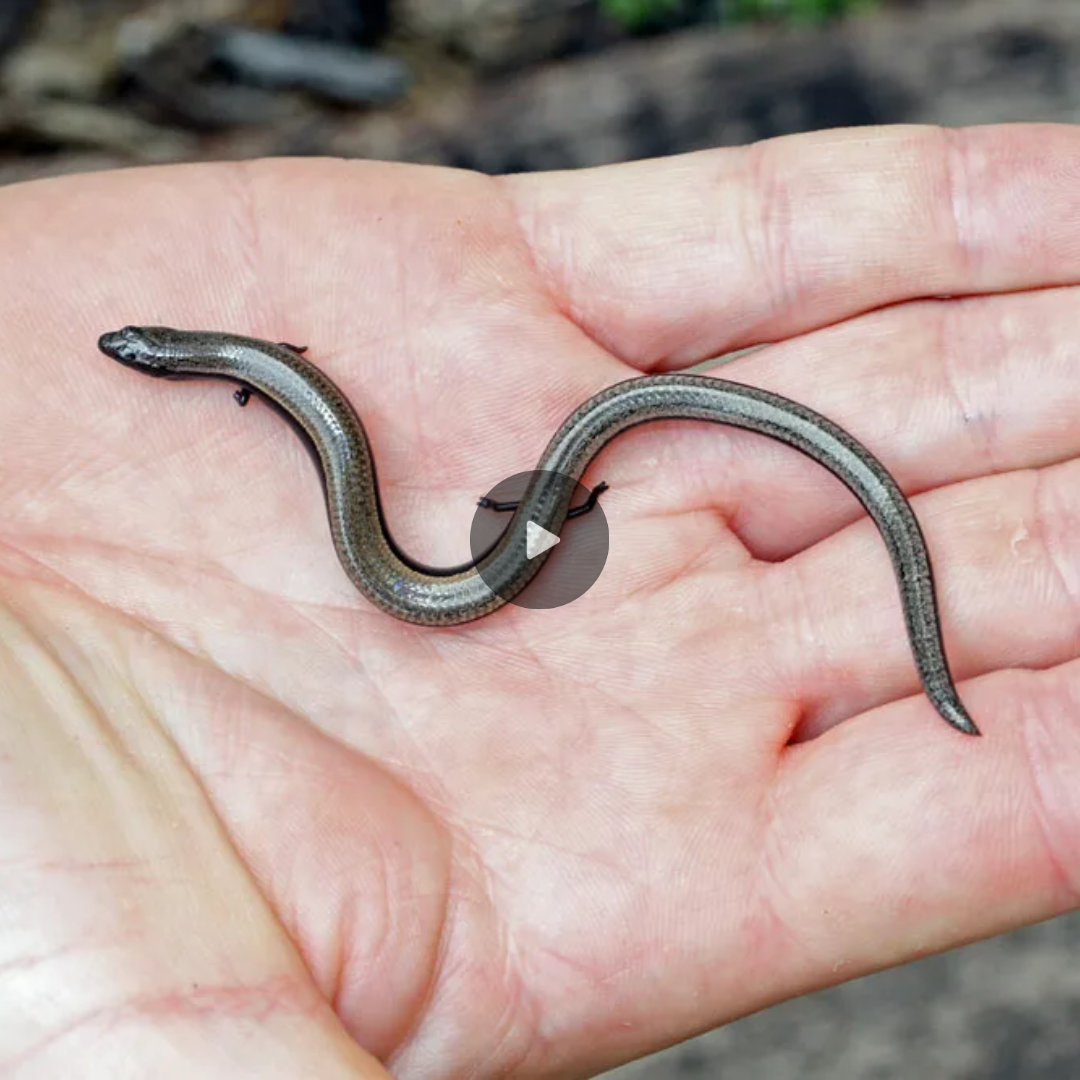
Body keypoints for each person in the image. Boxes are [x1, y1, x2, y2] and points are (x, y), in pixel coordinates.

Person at [1, 122, 1074, 1078]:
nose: (134, 356)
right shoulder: (253, 369)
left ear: (180, 362)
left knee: (551, 495)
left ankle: (648, 483)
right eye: (142, 356)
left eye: (141, 351)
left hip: (451, 566)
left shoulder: (248, 370)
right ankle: (620, 478)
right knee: (526, 513)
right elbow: (282, 378)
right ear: (180, 368)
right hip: (436, 577)